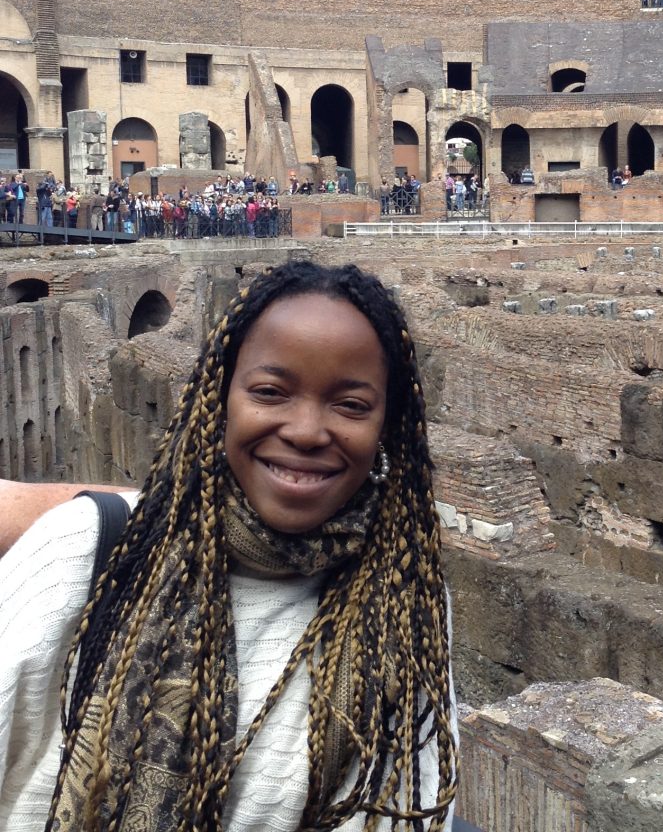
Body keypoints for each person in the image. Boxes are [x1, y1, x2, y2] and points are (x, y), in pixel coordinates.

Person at [0, 261, 458, 831]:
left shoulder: (404, 602)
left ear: (387, 427)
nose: (307, 431)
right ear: (219, 400)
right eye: (270, 392)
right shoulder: (81, 554)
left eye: (351, 405)